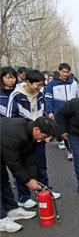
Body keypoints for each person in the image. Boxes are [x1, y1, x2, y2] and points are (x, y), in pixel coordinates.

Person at [7, 69, 61, 207]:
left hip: (39, 135)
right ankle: (24, 197)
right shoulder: (17, 96)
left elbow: (44, 114)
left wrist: (46, 134)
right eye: (37, 85)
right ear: (28, 82)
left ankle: (44, 189)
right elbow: (10, 119)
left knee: (41, 164)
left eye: (41, 85)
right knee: (23, 165)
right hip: (22, 136)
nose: (39, 88)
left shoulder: (40, 95)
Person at [0, 116, 60, 232]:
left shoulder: (30, 134)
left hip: (2, 146)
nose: (44, 139)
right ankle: (1, 220)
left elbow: (30, 159)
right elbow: (14, 162)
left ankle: (11, 209)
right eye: (44, 136)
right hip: (5, 144)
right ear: (37, 130)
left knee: (3, 179)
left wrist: (32, 178)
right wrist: (27, 181)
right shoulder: (16, 135)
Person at [45, 63, 79, 160]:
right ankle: (70, 150)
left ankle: (73, 150)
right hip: (59, 113)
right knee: (64, 132)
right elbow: (48, 98)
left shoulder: (73, 83)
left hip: (73, 113)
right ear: (59, 71)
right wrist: (50, 111)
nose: (65, 74)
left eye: (67, 72)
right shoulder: (52, 84)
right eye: (63, 72)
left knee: (73, 131)